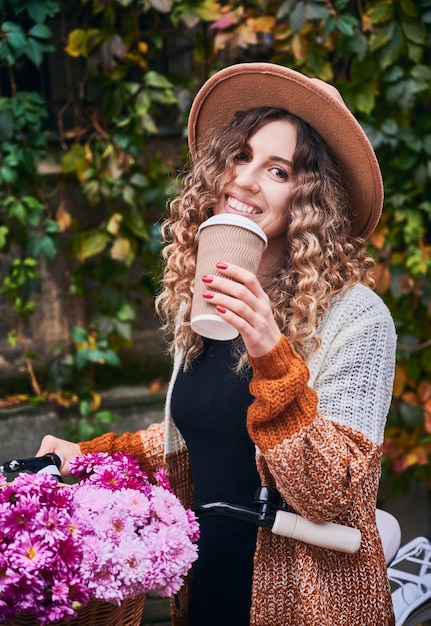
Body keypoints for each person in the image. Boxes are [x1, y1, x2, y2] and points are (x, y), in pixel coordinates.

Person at [37, 63, 397, 625]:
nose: (246, 180)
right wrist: (94, 455)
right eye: (240, 156)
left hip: (308, 604)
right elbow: (200, 436)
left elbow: (337, 494)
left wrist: (271, 352)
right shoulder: (201, 304)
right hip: (206, 592)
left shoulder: (357, 317)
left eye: (277, 170)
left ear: (313, 199)